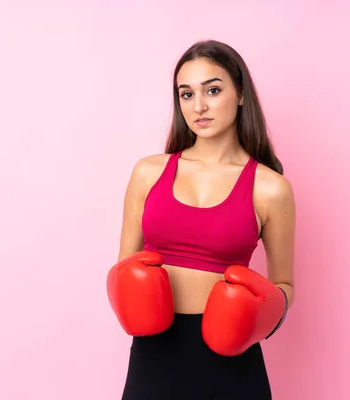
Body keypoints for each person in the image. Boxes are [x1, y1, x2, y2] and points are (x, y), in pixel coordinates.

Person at [107, 39, 296, 400]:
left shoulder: (270, 188)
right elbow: (124, 268)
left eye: (212, 89)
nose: (199, 106)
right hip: (153, 356)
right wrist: (128, 297)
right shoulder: (149, 172)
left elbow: (284, 283)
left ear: (241, 94)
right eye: (186, 94)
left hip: (232, 363)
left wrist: (267, 309)